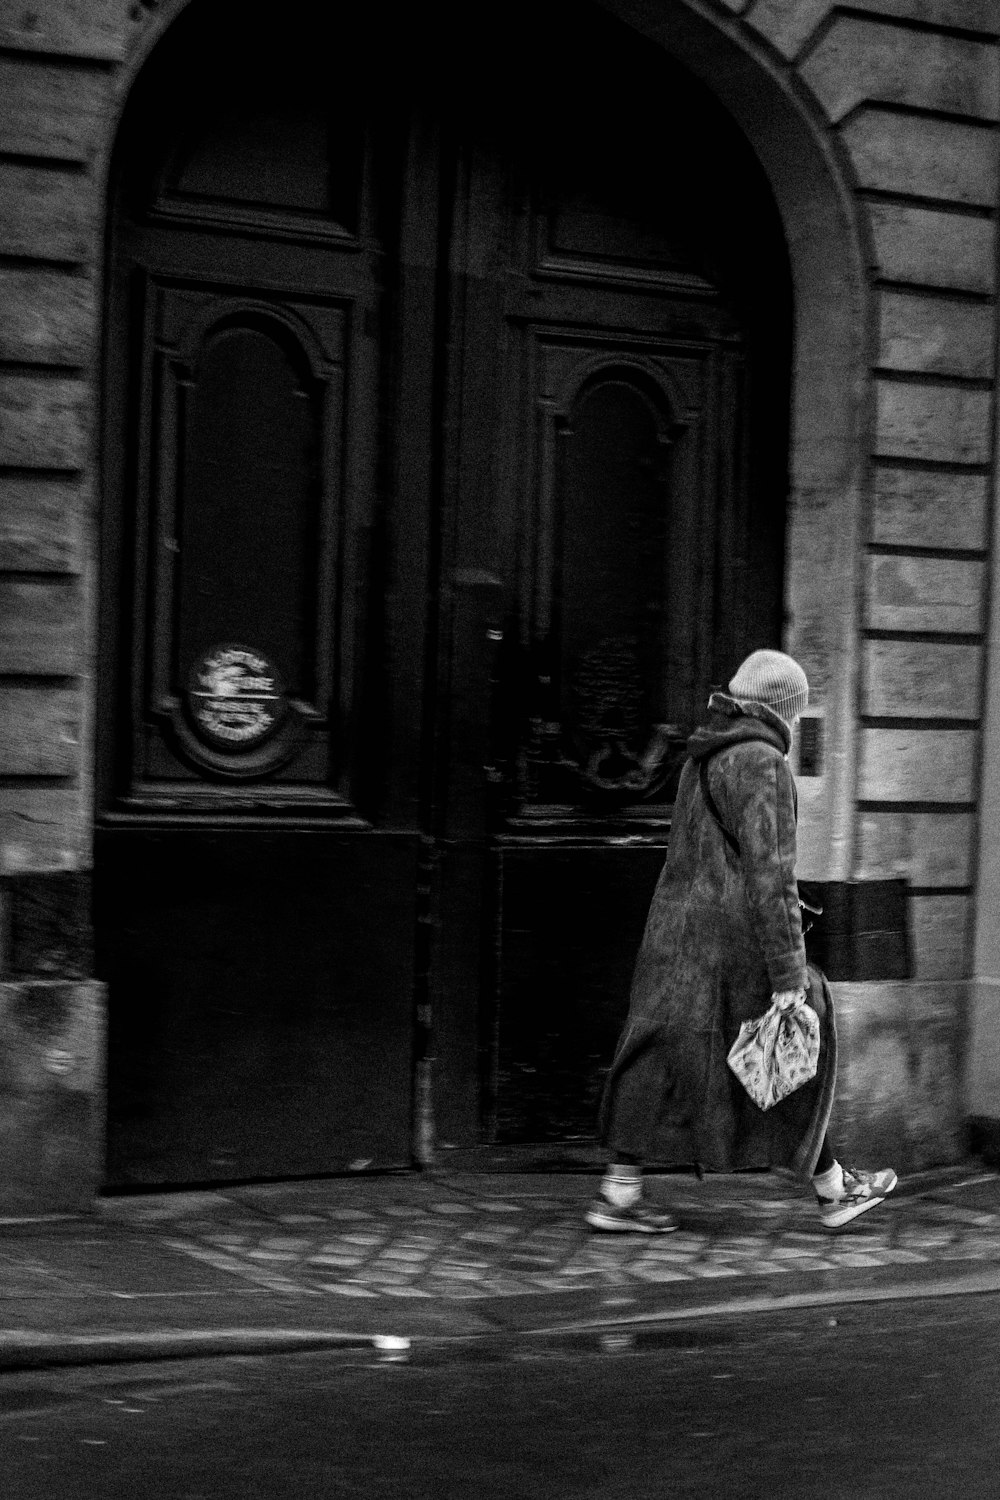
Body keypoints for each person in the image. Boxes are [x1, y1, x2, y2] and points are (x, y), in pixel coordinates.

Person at [587, 648, 897, 1234]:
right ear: (785, 709)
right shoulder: (762, 764)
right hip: (733, 944)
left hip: (676, 937)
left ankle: (619, 1195)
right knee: (798, 1040)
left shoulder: (704, 755)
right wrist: (787, 975)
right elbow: (771, 877)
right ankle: (834, 1191)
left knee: (656, 1056)